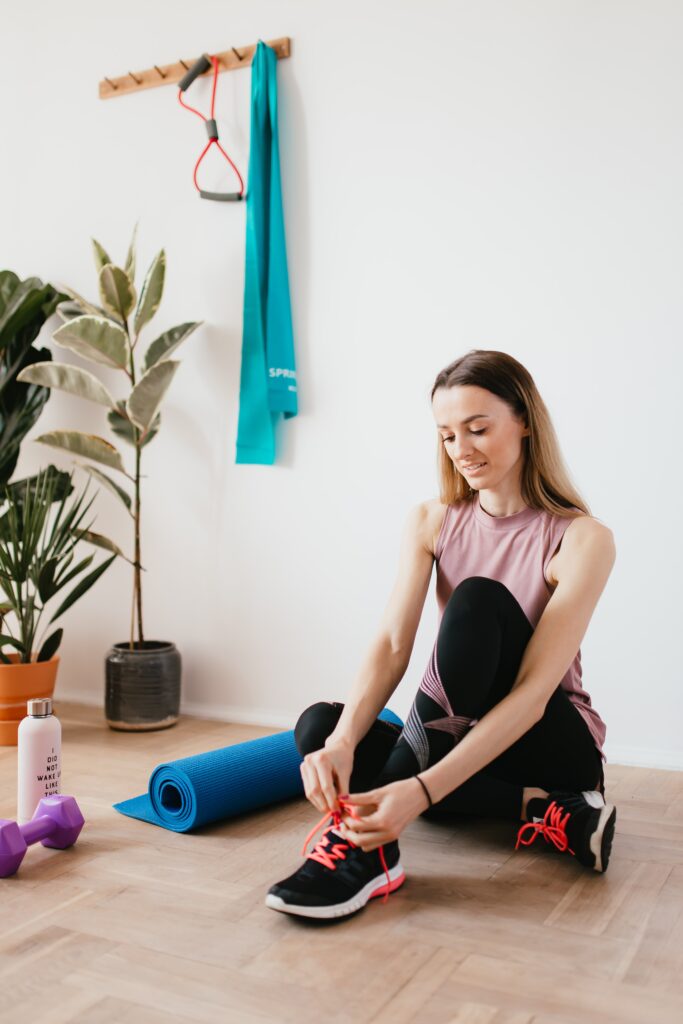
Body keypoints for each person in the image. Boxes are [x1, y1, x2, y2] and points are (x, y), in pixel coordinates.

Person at [266, 349, 617, 920]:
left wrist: (422, 790)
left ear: (524, 420)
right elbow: (392, 645)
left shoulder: (582, 539)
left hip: (550, 740)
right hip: (458, 732)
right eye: (448, 435)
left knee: (477, 599)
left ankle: (367, 853)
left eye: (478, 429)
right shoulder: (433, 520)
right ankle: (545, 813)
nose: (461, 450)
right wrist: (342, 743)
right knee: (322, 727)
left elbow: (530, 696)